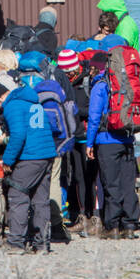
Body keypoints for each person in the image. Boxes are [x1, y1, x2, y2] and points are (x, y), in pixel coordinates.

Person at [0, 79, 57, 254]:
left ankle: (15, 242)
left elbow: (19, 135)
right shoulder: (33, 102)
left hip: (30, 156)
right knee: (41, 201)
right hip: (47, 154)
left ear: (1, 97)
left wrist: (8, 161)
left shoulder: (12, 106)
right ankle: (42, 244)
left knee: (17, 196)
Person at [85, 50, 140, 238]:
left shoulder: (100, 86)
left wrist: (89, 143)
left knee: (111, 184)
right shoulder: (127, 82)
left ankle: (113, 227)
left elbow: (93, 118)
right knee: (127, 183)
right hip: (127, 138)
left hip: (107, 140)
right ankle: (130, 225)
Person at [58, 50, 97, 236]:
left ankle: (90, 216)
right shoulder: (66, 83)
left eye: (69, 72)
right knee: (77, 177)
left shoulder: (85, 82)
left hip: (87, 136)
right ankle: (81, 216)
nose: (67, 76)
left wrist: (72, 110)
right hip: (73, 136)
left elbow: (92, 110)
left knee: (88, 178)